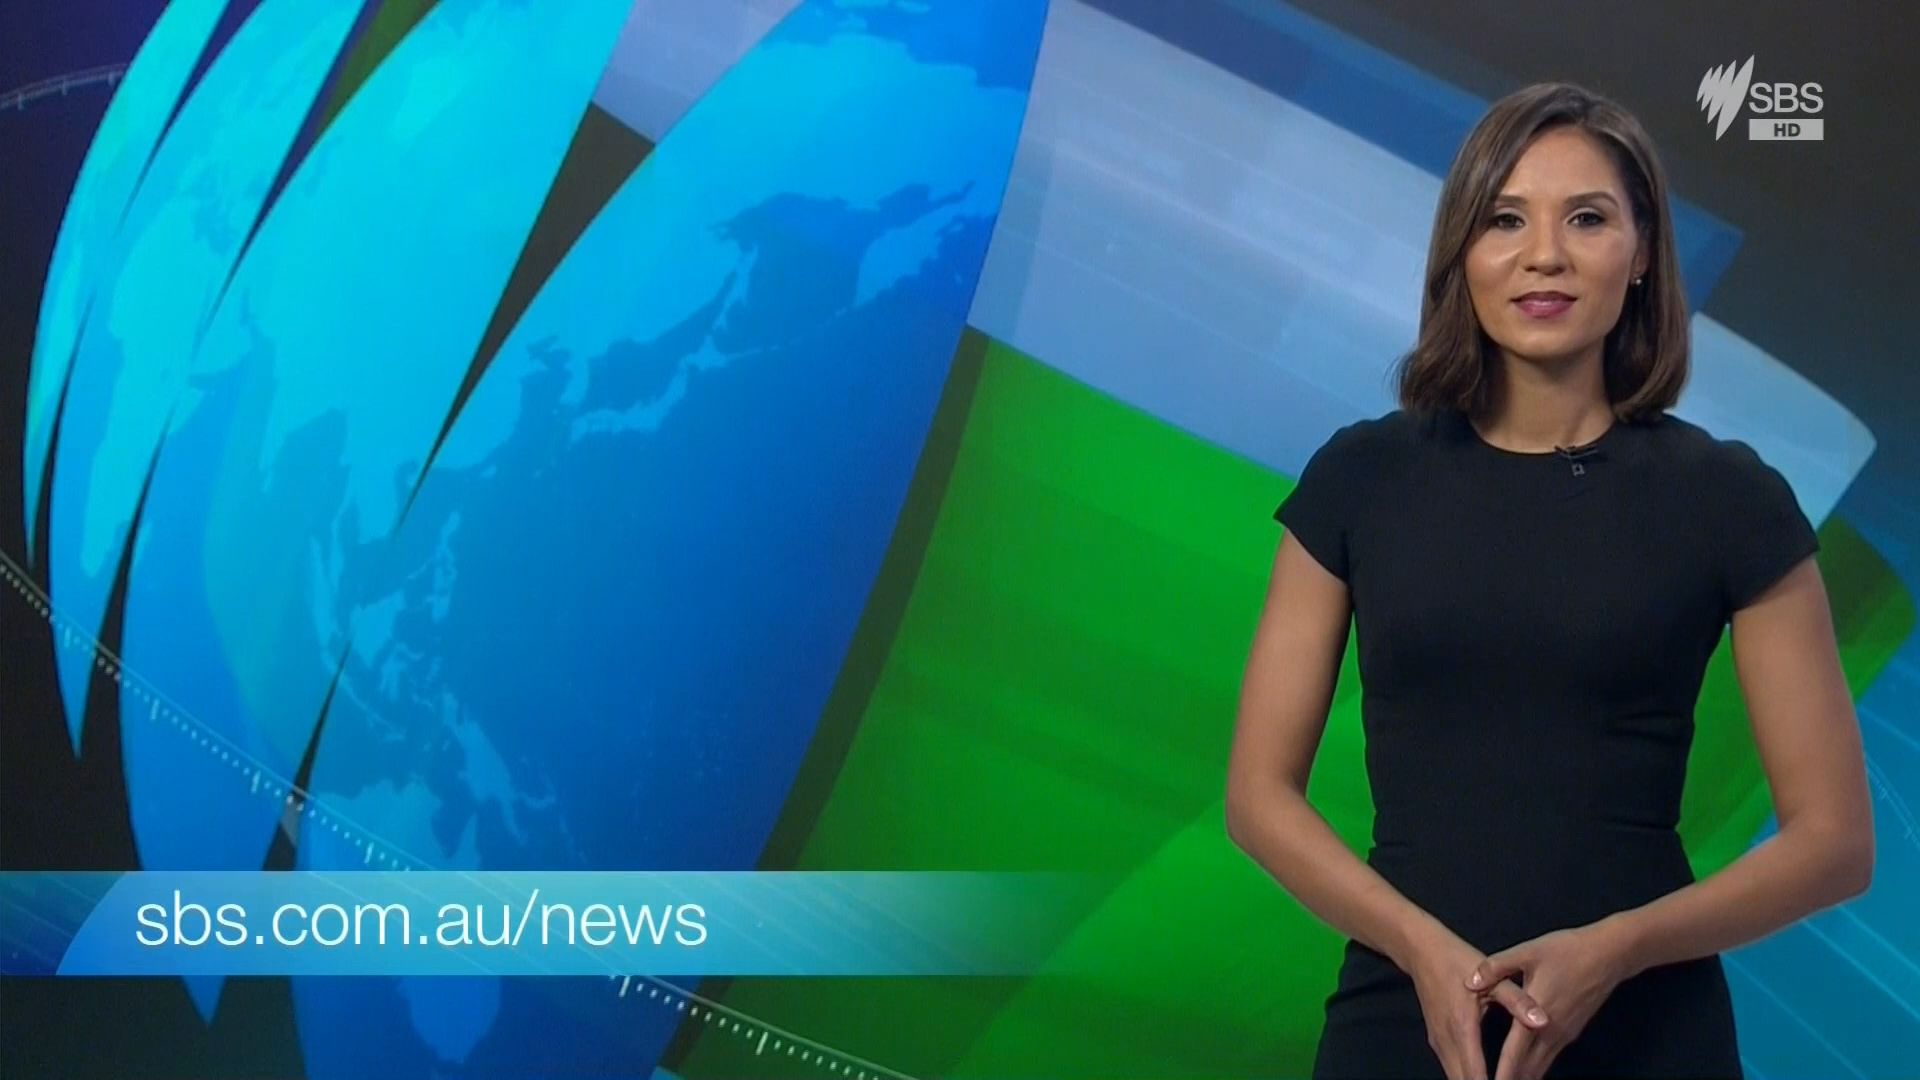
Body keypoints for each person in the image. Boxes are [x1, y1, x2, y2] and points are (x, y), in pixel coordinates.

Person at [1223, 82, 1874, 1080]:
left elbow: (1834, 842)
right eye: (1505, 220)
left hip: (1650, 1034)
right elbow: (1258, 797)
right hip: (1404, 1020)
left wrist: (1616, 950)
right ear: (1461, 250)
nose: (1544, 256)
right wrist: (1422, 951)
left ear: (1643, 251)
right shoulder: (1362, 477)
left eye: (1587, 219)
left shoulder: (1729, 499)